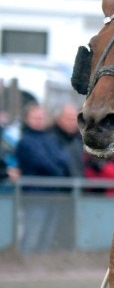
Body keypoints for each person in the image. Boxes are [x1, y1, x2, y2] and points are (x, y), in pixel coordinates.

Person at [14, 102, 76, 252]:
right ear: (27, 119)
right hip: (35, 195)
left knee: (47, 234)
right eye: (35, 118)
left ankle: (41, 266)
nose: (39, 120)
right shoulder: (25, 141)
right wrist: (57, 170)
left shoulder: (50, 138)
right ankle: (25, 263)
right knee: (33, 232)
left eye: (41, 117)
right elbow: (40, 161)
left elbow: (63, 157)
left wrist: (56, 167)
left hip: (52, 194)